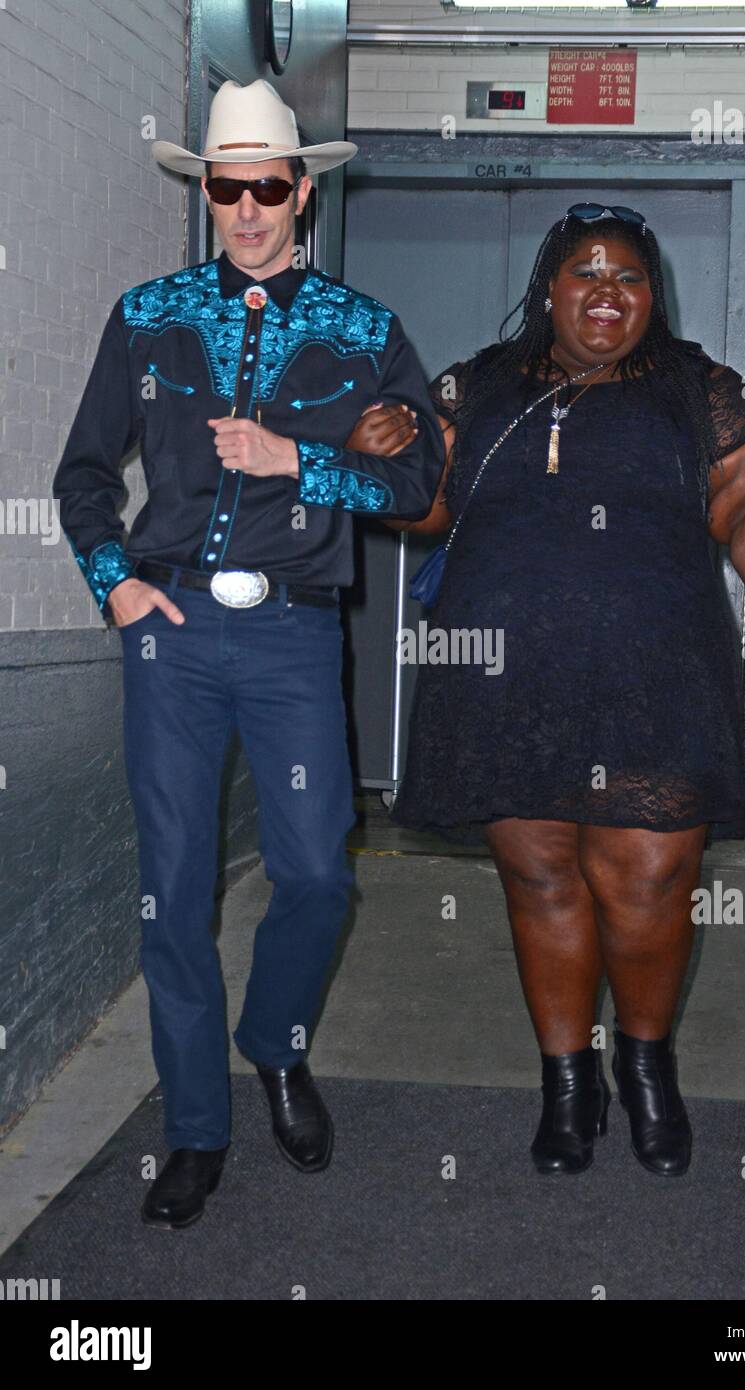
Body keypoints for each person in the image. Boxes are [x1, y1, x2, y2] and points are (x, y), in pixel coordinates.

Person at [387, 203, 745, 1178]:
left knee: (648, 883)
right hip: (507, 677)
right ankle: (566, 1082)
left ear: (653, 293)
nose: (606, 293)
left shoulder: (699, 389)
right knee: (539, 876)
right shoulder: (477, 384)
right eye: (584, 274)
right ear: (547, 288)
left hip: (657, 671)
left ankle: (645, 1069)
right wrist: (385, 450)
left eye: (628, 277)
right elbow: (423, 510)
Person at [52, 80, 444, 1228]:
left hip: (288, 633)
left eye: (267, 187)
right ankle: (191, 1129)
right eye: (226, 188)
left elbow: (419, 485)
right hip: (168, 633)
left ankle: (275, 1042)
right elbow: (82, 474)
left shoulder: (365, 331)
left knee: (317, 870)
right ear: (205, 191)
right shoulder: (146, 315)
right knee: (171, 896)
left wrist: (296, 461)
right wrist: (111, 582)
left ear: (301, 190)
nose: (247, 209)